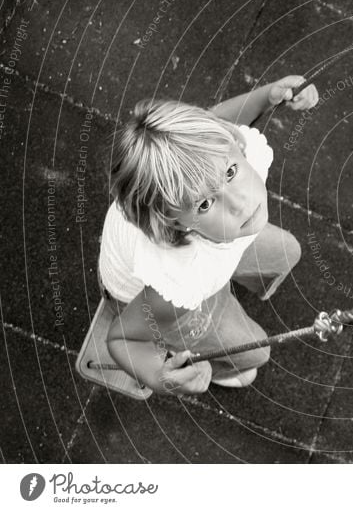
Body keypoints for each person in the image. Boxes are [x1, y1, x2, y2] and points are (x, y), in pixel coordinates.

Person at [98, 76, 318, 395]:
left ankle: (236, 280)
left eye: (230, 172)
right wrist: (161, 378)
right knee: (255, 355)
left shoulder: (210, 153)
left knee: (287, 252)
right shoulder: (179, 279)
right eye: (204, 203)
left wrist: (267, 96)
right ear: (176, 223)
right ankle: (223, 366)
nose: (240, 203)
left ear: (234, 144)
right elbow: (122, 338)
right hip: (144, 299)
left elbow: (215, 121)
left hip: (212, 243)